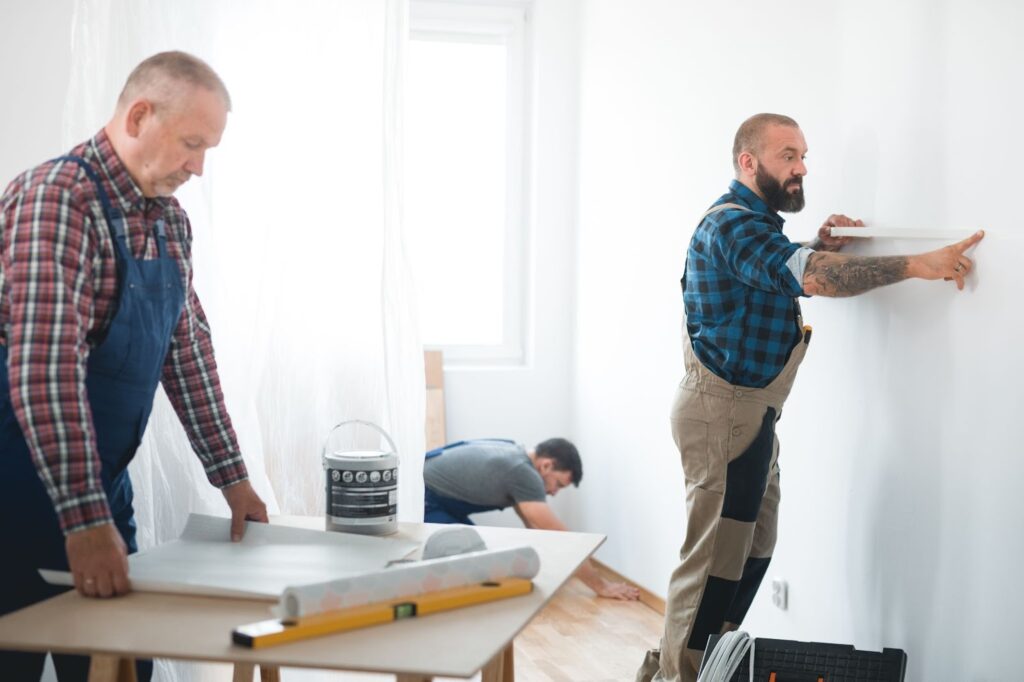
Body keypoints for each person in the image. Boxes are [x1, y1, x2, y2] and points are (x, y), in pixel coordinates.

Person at [637, 113, 984, 682]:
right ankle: (678, 676)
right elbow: (813, 279)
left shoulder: (756, 226)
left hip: (750, 414)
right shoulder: (732, 225)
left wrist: (817, 243)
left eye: (803, 156)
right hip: (722, 412)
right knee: (711, 569)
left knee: (751, 551)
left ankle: (700, 666)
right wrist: (917, 265)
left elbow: (776, 269)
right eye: (788, 156)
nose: (801, 168)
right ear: (748, 163)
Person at [0, 51, 268, 681]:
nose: (199, 166)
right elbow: (45, 371)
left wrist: (232, 477)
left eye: (209, 149)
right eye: (192, 143)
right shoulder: (56, 201)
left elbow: (187, 351)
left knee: (120, 668)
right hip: (16, 493)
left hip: (99, 486)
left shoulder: (169, 222)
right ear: (140, 115)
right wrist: (85, 519)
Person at [424, 437, 641, 600]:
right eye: (559, 484)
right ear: (546, 465)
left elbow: (536, 529)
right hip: (424, 497)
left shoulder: (515, 453)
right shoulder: (523, 474)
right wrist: (600, 586)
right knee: (476, 562)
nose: (555, 492)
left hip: (438, 495)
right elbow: (561, 538)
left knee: (481, 556)